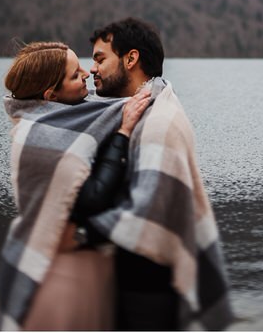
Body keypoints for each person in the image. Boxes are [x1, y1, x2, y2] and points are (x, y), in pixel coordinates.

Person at [82, 17, 234, 330]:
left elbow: (146, 214)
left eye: (99, 59)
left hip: (149, 286)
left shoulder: (160, 123)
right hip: (134, 276)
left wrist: (77, 233)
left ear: (131, 58)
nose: (91, 69)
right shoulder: (141, 110)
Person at [0, 41, 152, 330]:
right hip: (61, 275)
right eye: (74, 74)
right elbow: (90, 198)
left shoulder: (75, 114)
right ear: (51, 94)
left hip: (89, 265)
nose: (86, 73)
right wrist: (123, 133)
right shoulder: (37, 134)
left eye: (80, 65)